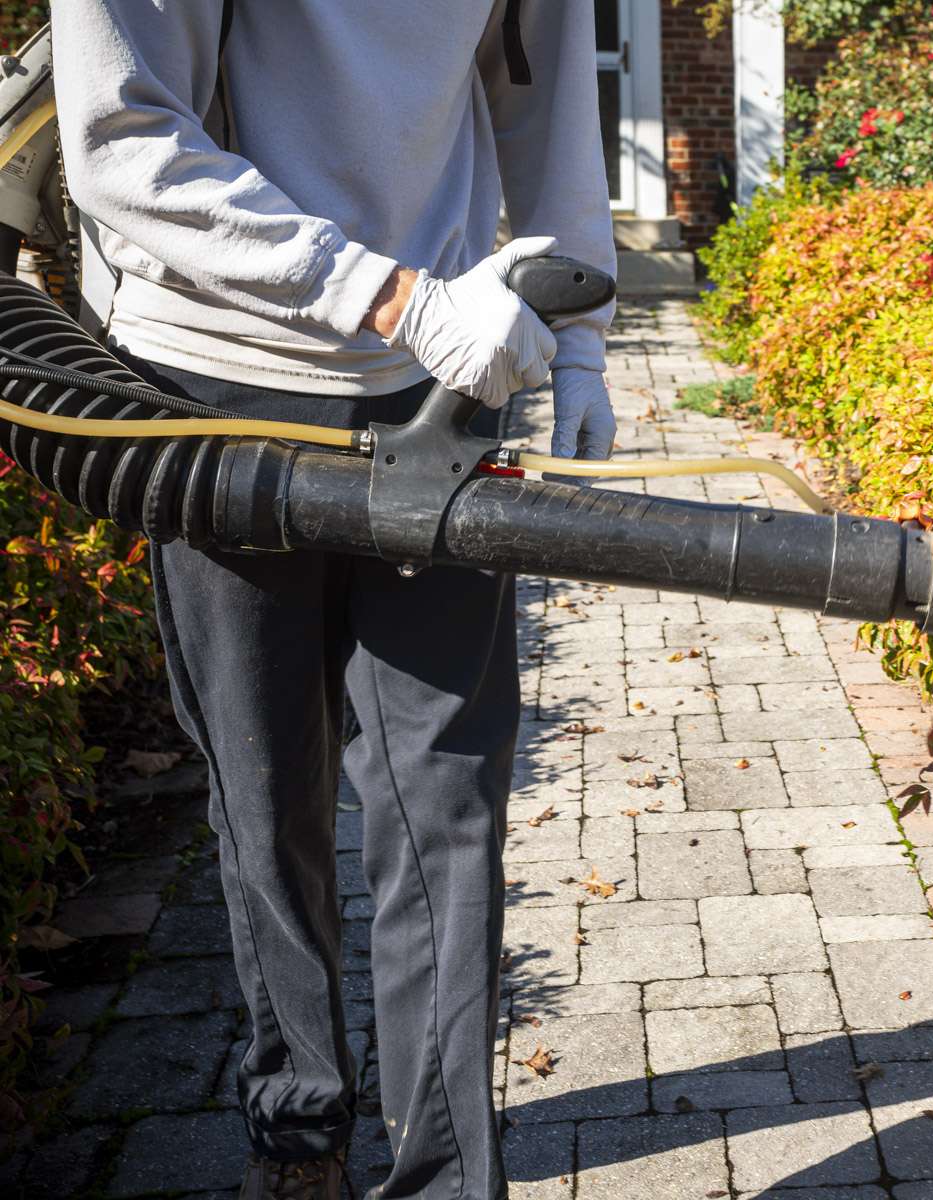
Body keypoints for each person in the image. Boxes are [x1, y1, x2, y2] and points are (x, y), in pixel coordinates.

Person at [52, 4, 618, 1196]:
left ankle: (449, 1174)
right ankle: (300, 1135)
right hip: (218, 375)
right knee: (268, 792)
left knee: (447, 800)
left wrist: (580, 344)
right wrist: (394, 295)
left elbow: (545, 93)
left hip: (444, 377)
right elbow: (119, 137)